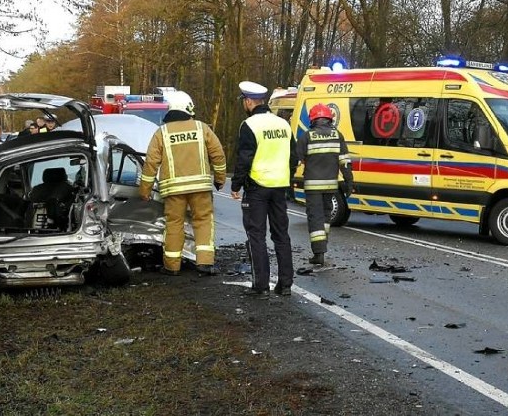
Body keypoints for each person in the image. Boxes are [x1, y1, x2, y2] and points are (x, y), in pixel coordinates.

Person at [139, 91, 227, 276]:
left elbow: (150, 163)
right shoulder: (202, 128)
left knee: (174, 224)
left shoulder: (161, 132)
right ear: (189, 108)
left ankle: (172, 266)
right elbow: (218, 155)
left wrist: (145, 190)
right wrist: (220, 179)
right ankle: (204, 263)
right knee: (203, 222)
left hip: (173, 189)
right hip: (200, 188)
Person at [231, 81, 298, 298]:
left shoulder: (249, 125)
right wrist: (287, 178)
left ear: (249, 101)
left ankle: (261, 285)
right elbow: (293, 157)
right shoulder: (283, 124)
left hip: (257, 187)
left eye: (244, 101)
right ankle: (285, 284)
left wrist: (236, 185)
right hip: (279, 188)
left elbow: (244, 158)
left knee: (256, 236)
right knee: (281, 235)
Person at [297, 103, 353, 265]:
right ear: (329, 118)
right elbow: (345, 162)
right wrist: (349, 182)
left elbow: (296, 160)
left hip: (313, 187)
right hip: (331, 187)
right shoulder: (338, 135)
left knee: (315, 218)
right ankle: (322, 246)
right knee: (326, 217)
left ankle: (318, 252)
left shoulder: (307, 136)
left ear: (313, 119)